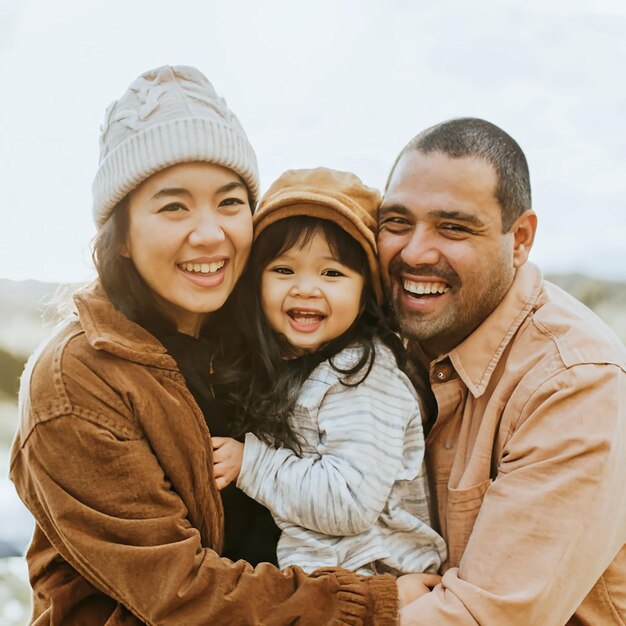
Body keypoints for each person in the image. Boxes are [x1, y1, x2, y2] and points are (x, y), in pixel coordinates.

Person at [9, 65, 417, 625]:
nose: (209, 233)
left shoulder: (255, 336)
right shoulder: (77, 379)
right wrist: (376, 605)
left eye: (229, 203)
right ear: (121, 235)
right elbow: (177, 591)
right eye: (174, 206)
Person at [377, 117, 626, 625]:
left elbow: (484, 618)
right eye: (397, 222)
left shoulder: (575, 379)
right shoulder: (380, 346)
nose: (415, 252)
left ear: (520, 238)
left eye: (453, 227)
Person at [211, 167, 447, 577]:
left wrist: (251, 463)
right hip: (321, 585)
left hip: (377, 579)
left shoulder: (363, 376)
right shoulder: (280, 362)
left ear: (364, 291)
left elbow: (351, 501)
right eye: (284, 270)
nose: (306, 288)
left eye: (332, 273)